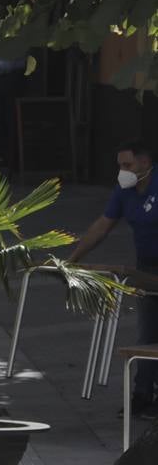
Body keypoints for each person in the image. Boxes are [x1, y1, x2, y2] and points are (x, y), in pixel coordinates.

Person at [69, 141, 158, 420]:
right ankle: (142, 395)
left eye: (128, 165)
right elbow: (103, 225)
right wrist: (74, 259)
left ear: (145, 163)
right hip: (147, 266)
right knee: (147, 332)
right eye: (120, 165)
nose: (123, 171)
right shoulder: (125, 191)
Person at [0, 5, 26, 169]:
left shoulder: (14, 35)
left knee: (11, 120)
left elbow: (10, 63)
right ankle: (1, 154)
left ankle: (12, 158)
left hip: (11, 81)